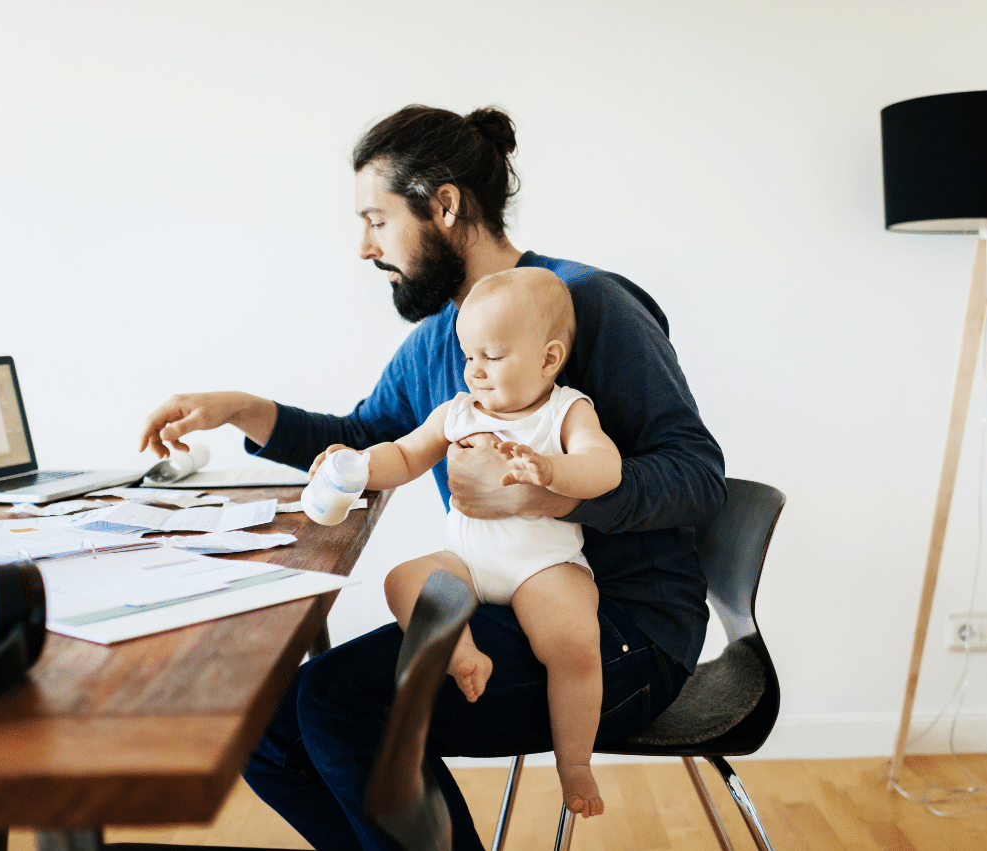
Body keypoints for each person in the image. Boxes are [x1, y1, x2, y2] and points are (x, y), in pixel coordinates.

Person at [139, 104, 726, 851]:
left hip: (620, 633)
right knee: (268, 722)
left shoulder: (586, 306)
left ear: (444, 206)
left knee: (340, 702)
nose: (363, 247)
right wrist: (243, 410)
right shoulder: (435, 345)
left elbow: (698, 475)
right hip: (497, 605)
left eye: (376, 220)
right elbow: (364, 439)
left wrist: (552, 491)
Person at [309, 266, 621, 818]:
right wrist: (355, 465)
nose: (474, 370)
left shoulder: (565, 411)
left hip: (543, 565)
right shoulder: (457, 412)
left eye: (492, 357)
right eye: (468, 355)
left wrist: (549, 469)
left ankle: (575, 763)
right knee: (403, 580)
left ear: (549, 359)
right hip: (469, 561)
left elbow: (604, 467)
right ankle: (460, 652)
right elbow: (403, 455)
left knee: (573, 643)